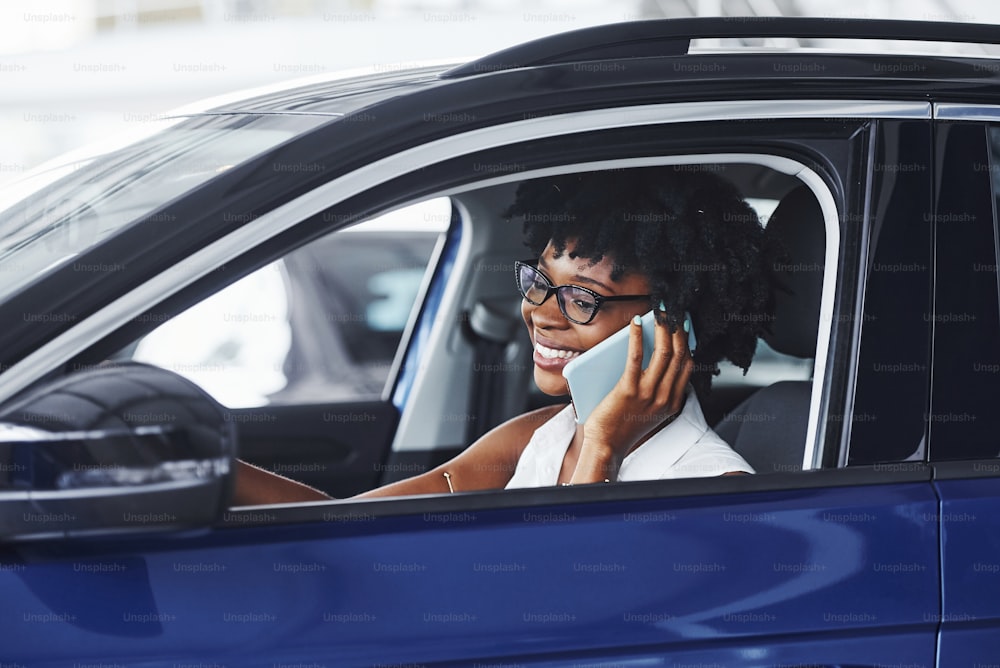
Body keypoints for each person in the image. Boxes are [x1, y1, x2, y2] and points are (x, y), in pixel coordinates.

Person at [231, 167, 775, 505]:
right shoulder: (541, 435)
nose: (540, 312)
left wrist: (606, 450)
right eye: (540, 281)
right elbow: (345, 526)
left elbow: (561, 606)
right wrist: (201, 466)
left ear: (671, 323)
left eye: (581, 299)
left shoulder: (714, 486)